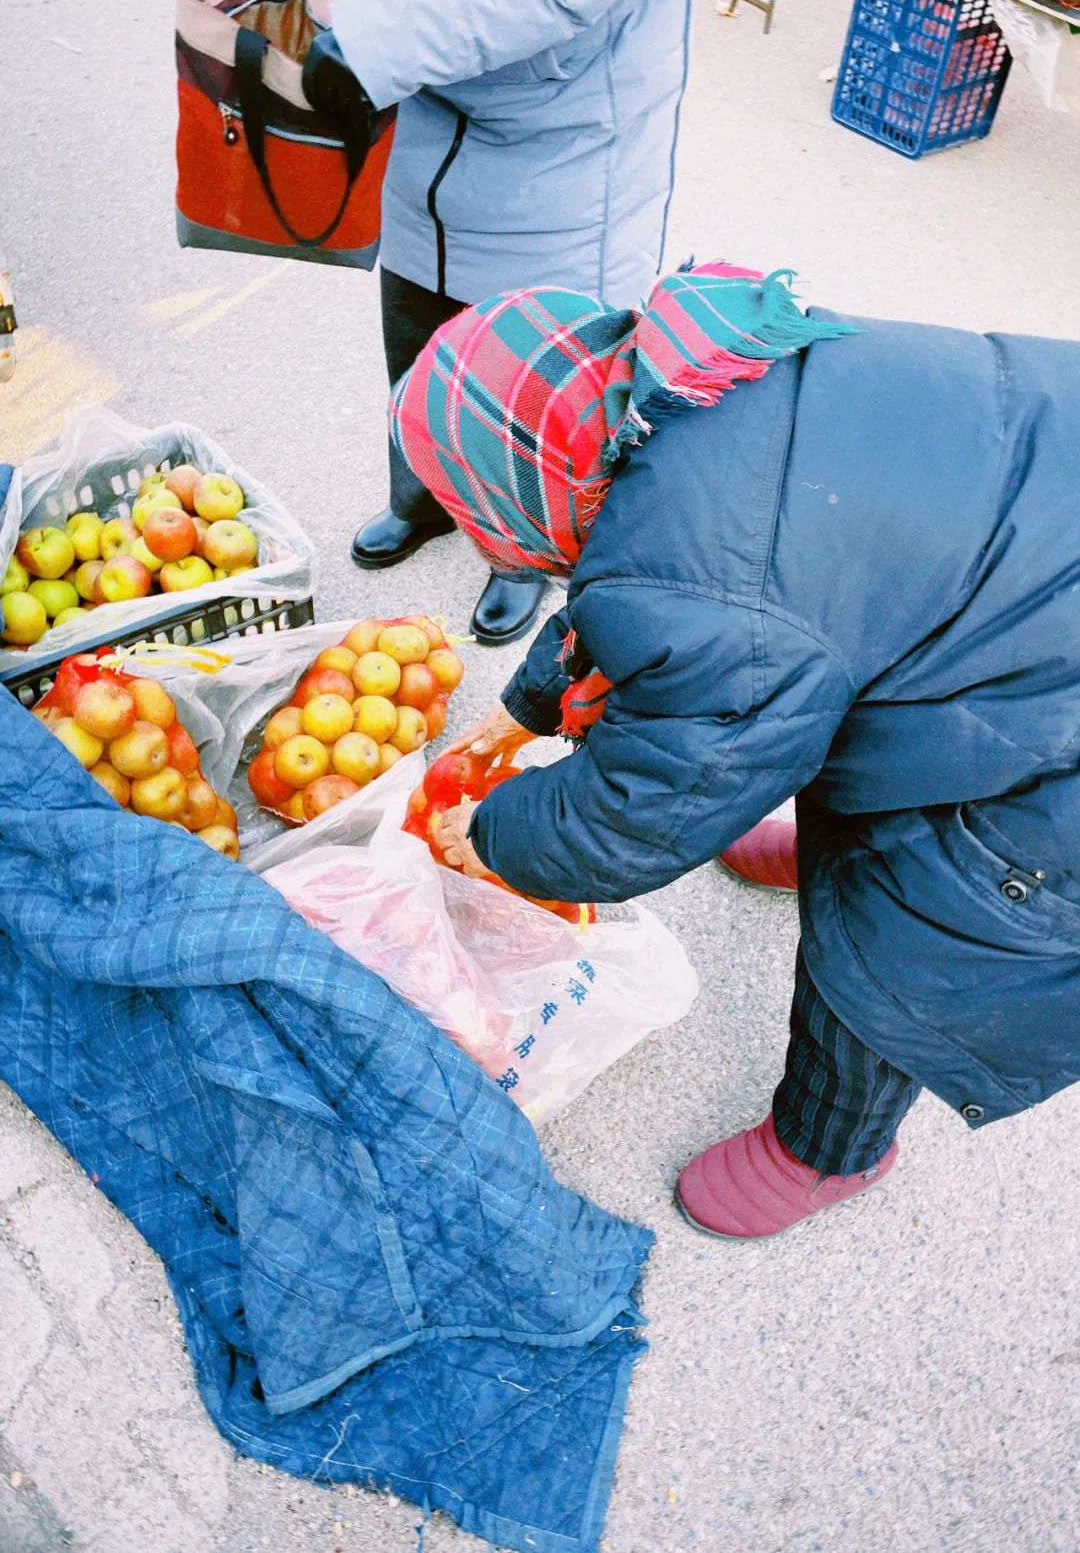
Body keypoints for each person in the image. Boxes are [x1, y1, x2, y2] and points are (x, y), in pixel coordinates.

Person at [387, 260, 1080, 1241]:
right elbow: (666, 583)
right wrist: (530, 708)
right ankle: (839, 841)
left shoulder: (704, 579)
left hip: (1061, 708)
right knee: (833, 707)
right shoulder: (690, 380)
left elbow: (650, 804)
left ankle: (829, 1147)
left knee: (910, 929)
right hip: (1043, 524)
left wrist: (494, 832)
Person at [200, 0, 694, 645]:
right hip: (423, 70)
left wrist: (377, 37)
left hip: (562, 117)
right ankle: (425, 496)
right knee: (417, 326)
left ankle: (519, 554)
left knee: (530, 378)